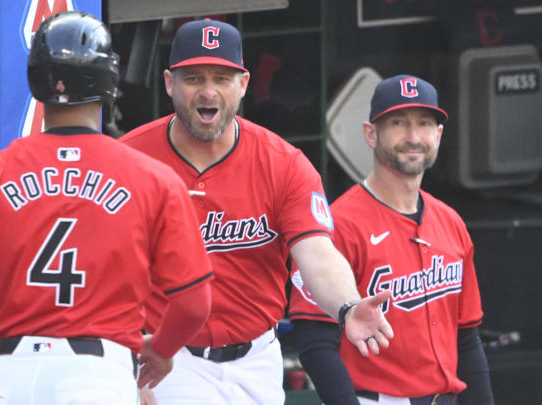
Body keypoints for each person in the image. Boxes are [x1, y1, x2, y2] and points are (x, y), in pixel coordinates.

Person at [0, 11, 213, 405]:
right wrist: (162, 348)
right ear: (109, 82)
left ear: (37, 79)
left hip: (6, 376)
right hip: (97, 378)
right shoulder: (153, 178)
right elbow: (194, 304)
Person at [120, 18, 394, 405]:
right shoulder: (129, 161)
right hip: (168, 358)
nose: (208, 91)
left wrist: (347, 306)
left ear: (243, 84)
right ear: (169, 83)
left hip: (258, 359)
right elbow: (105, 273)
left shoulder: (283, 164)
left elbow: (317, 254)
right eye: (194, 78)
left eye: (222, 77)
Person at [289, 74, 495, 405]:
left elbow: (467, 337)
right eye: (398, 123)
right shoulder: (338, 224)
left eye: (425, 124)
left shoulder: (451, 222)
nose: (413, 137)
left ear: (438, 135)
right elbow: (315, 338)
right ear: (371, 134)